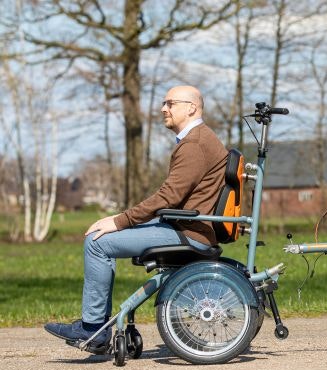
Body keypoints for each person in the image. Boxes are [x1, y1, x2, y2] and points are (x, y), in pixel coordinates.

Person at [45, 85, 229, 353]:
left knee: (98, 243)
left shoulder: (196, 144)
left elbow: (168, 197)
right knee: (102, 237)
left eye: (171, 103)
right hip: (185, 225)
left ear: (192, 107)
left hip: (188, 232)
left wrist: (121, 220)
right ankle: (95, 327)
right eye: (163, 103)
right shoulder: (197, 140)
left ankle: (92, 329)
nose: (163, 108)